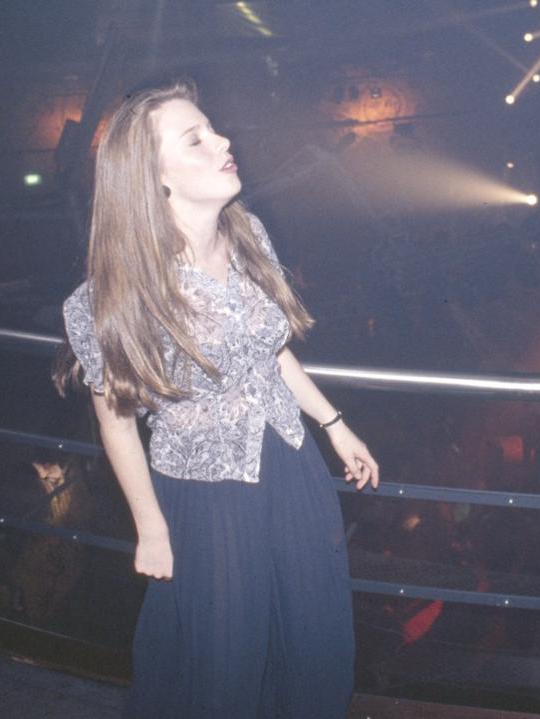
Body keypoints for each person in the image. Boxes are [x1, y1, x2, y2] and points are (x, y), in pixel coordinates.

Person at [53, 78, 378, 718]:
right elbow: (116, 423)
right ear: (155, 178)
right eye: (195, 138)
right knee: (224, 663)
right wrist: (150, 528)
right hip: (205, 493)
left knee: (315, 646)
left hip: (291, 465)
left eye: (213, 128)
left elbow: (270, 350)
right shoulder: (116, 293)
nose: (223, 140)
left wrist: (333, 424)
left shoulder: (249, 232)